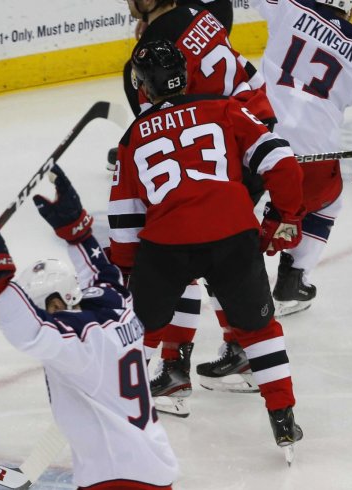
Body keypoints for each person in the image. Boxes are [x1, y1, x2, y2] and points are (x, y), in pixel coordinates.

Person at [108, 40, 305, 450]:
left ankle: (120, 407)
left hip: (167, 243)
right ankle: (283, 418)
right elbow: (282, 162)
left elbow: (124, 220)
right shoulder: (225, 109)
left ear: (143, 88)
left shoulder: (131, 139)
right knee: (258, 327)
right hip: (232, 233)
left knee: (137, 326)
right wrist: (283, 216)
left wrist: (127, 274)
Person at [0, 165, 178, 489]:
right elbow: (103, 274)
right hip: (144, 468)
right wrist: (78, 233)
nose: (42, 314)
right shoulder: (119, 306)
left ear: (60, 301)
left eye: (43, 306)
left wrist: (0, 282)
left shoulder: (80, 342)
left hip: (117, 477)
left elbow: (30, 332)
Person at [112, 0, 274, 412]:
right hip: (248, 131)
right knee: (215, 251)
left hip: (219, 152)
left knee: (176, 246)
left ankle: (176, 370)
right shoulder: (200, 14)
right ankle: (240, 351)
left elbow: (157, 131)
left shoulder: (151, 50)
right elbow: (244, 75)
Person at [249, 0, 352, 316]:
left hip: (255, 136)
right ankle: (292, 281)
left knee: (237, 203)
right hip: (312, 155)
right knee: (326, 202)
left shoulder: (290, 7)